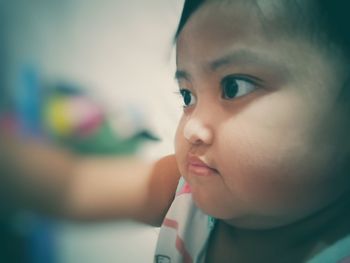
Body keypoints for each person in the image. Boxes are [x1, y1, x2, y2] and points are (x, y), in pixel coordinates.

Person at [2, 0, 350, 262]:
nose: (191, 129)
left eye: (234, 87)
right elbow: (72, 186)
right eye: (188, 95)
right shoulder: (185, 191)